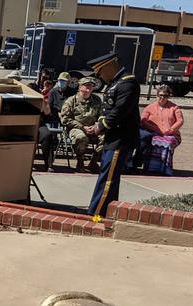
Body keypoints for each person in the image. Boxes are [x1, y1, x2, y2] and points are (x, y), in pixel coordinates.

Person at [85, 52, 141, 217]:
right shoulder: (115, 83)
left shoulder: (128, 84)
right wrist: (98, 124)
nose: (100, 77)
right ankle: (109, 214)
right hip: (112, 138)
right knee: (110, 178)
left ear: (109, 66)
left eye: (100, 72)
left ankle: (95, 214)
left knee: (107, 180)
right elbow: (107, 110)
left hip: (120, 139)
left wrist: (99, 128)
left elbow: (118, 112)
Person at [59, 76, 103, 172]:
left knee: (107, 137)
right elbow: (65, 119)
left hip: (93, 128)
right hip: (76, 128)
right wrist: (82, 127)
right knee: (81, 137)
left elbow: (102, 116)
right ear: (79, 87)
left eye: (91, 86)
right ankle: (80, 161)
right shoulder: (71, 101)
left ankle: (93, 162)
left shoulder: (97, 100)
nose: (89, 88)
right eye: (86, 85)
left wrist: (96, 126)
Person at [138, 84, 184, 175]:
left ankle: (165, 169)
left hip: (171, 134)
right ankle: (151, 168)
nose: (162, 98)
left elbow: (180, 121)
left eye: (165, 95)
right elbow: (143, 121)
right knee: (152, 140)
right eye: (161, 95)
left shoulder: (174, 108)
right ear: (157, 95)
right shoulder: (149, 107)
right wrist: (155, 129)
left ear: (169, 96)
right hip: (154, 133)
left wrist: (171, 130)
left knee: (168, 142)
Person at [39, 71, 73, 172]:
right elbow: (49, 107)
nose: (61, 83)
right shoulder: (53, 92)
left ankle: (49, 164)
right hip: (54, 117)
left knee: (48, 135)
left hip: (67, 117)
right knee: (50, 133)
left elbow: (73, 106)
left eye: (64, 81)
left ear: (68, 82)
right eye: (60, 81)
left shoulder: (72, 92)